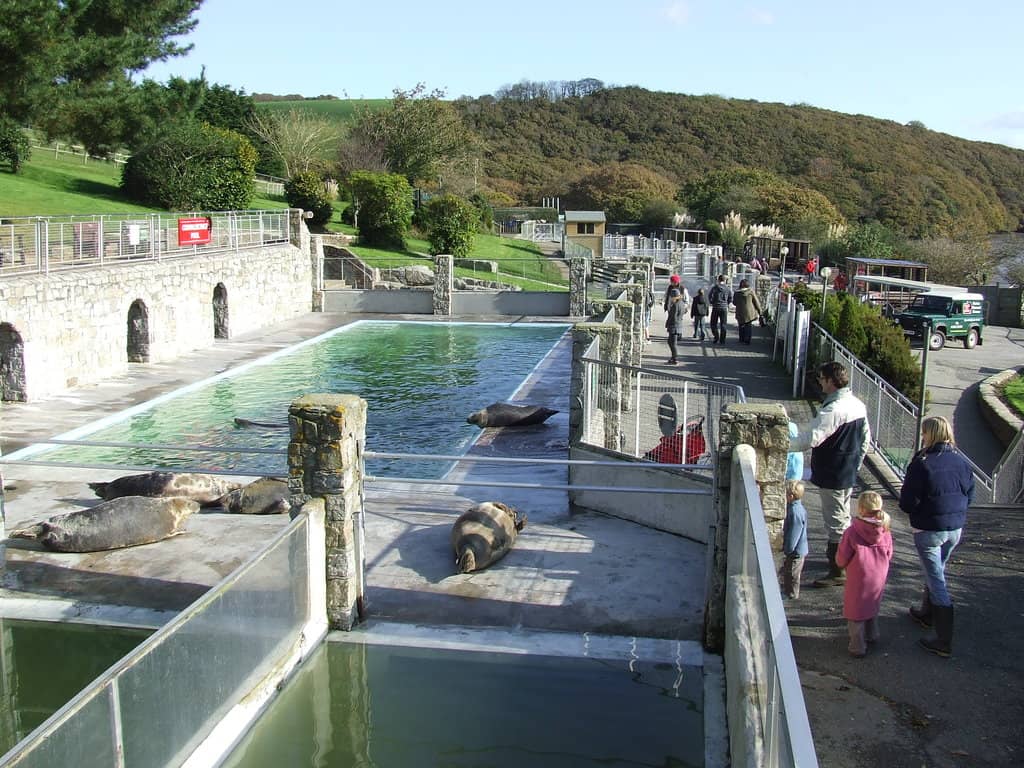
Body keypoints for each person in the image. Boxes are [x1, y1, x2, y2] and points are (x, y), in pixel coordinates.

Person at [791, 361, 872, 587]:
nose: (820, 382)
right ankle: (845, 559)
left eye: (822, 379)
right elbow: (866, 439)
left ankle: (838, 570)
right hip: (847, 470)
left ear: (831, 381)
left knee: (835, 521)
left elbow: (811, 439)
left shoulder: (832, 410)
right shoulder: (857, 405)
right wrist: (855, 464)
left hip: (832, 472)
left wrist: (782, 445)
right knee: (844, 516)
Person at [899, 415, 974, 658]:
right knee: (937, 571)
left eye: (923, 433)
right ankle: (926, 613)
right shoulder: (962, 462)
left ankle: (943, 640)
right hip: (955, 528)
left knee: (937, 579)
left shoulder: (922, 463)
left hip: (929, 529)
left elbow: (908, 502)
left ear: (929, 434)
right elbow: (969, 494)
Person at [836, 491, 893, 658]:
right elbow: (889, 553)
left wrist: (841, 565)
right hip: (878, 576)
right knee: (872, 603)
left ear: (860, 509)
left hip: (858, 577)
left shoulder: (852, 532)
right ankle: (872, 634)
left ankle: (857, 646)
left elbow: (842, 558)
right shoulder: (885, 531)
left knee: (855, 612)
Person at [781, 480, 809, 599]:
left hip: (795, 552)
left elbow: (794, 534)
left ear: (791, 496)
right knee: (791, 574)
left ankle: (791, 595)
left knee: (792, 575)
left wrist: (787, 549)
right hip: (797, 551)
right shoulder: (797, 508)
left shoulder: (795, 512)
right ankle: (790, 593)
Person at [732, 278, 763, 345]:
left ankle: (741, 339)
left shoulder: (736, 292)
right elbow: (756, 302)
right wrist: (760, 311)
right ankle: (747, 340)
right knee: (748, 326)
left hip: (740, 312)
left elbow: (734, 303)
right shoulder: (751, 292)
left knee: (741, 325)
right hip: (749, 312)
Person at [708, 275, 732, 344]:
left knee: (713, 323)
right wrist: (727, 303)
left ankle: (716, 336)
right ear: (724, 280)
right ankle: (722, 340)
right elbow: (730, 297)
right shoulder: (727, 288)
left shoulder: (715, 288)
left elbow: (710, 296)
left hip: (716, 307)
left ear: (718, 280)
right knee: (723, 324)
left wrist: (712, 302)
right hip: (724, 308)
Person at [664, 287, 685, 365]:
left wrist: (668, 324)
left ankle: (675, 358)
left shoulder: (676, 305)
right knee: (671, 342)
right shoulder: (681, 303)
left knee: (672, 343)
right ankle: (673, 357)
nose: (670, 298)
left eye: (671, 297)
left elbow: (673, 316)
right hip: (678, 325)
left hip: (674, 326)